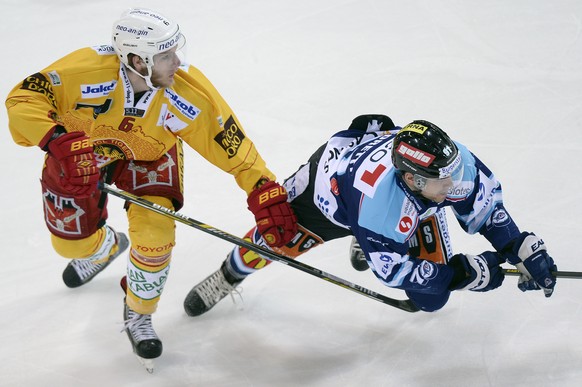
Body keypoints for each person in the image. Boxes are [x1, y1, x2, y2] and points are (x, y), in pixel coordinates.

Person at [5, 8, 296, 371]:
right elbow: (22, 100)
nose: (177, 62)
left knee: (155, 238)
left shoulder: (185, 90)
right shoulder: (83, 71)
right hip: (81, 154)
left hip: (151, 155)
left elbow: (228, 142)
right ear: (134, 59)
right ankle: (105, 247)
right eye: (164, 55)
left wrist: (261, 187)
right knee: (71, 245)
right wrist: (56, 140)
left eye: (175, 50)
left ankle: (138, 311)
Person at [184, 114, 557, 317]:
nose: (454, 188)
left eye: (452, 174)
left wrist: (520, 246)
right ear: (411, 178)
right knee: (273, 238)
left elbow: (486, 207)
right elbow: (392, 270)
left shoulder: (451, 166)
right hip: (326, 198)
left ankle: (368, 241)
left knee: (430, 302)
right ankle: (228, 275)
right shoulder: (381, 207)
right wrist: (464, 274)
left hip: (389, 203)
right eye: (444, 183)